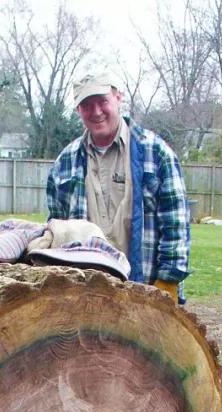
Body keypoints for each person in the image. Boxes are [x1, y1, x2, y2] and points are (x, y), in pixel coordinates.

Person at [45, 75, 190, 301]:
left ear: (117, 97)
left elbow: (176, 222)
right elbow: (57, 228)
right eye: (86, 105)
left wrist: (169, 278)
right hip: (85, 292)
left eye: (102, 101)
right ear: (78, 110)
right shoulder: (65, 162)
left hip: (145, 287)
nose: (96, 111)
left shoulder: (156, 152)